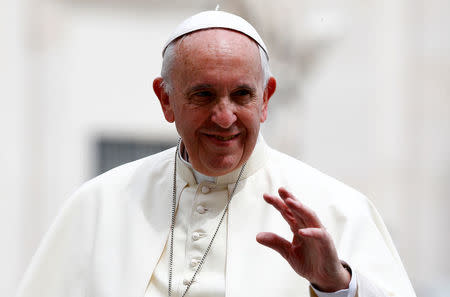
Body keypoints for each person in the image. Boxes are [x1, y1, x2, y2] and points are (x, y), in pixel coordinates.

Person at [17, 10, 416, 297]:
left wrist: (337, 286)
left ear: (266, 98)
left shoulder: (338, 209)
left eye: (242, 95)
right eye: (203, 95)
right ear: (166, 99)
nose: (224, 118)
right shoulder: (99, 205)